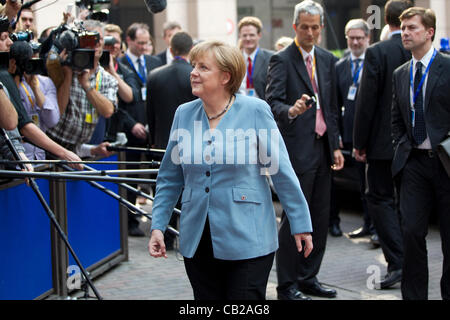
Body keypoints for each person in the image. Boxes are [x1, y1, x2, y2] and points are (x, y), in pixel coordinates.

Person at [148, 40, 313, 300]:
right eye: (194, 66)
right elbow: (170, 177)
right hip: (197, 238)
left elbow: (280, 170)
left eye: (203, 67)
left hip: (248, 236)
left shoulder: (255, 111)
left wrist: (300, 222)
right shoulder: (184, 114)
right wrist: (158, 224)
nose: (193, 72)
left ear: (225, 76)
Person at [266, 0, 344, 300]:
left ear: (321, 29)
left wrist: (336, 145)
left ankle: (309, 277)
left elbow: (332, 107)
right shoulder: (282, 60)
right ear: (295, 27)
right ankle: (287, 285)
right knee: (294, 218)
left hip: (324, 147)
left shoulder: (326, 59)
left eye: (315, 27)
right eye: (305, 27)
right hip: (297, 149)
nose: (310, 32)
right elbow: (272, 103)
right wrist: (292, 110)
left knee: (320, 217)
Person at [353, 0, 412, 289]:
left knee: (380, 199)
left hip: (381, 144)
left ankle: (399, 263)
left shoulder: (378, 52)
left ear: (386, 20)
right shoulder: (423, 49)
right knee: (408, 202)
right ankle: (412, 262)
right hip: (414, 143)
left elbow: (366, 101)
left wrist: (359, 142)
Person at [393, 7, 450, 300]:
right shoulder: (401, 74)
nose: (405, 33)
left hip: (445, 165)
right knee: (412, 233)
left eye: (412, 28)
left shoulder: (447, 67)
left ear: (429, 32)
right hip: (414, 163)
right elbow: (396, 119)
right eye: (403, 28)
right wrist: (401, 146)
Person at [146, 31, 197, 249]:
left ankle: (165, 233)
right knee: (187, 187)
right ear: (190, 50)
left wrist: (153, 139)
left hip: (162, 140)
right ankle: (186, 232)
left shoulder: (155, 75)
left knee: (165, 185)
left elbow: (150, 113)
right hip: (191, 140)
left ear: (172, 49)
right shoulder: (193, 75)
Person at [46, 19, 117, 159]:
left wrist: (86, 85)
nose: (96, 43)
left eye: (100, 38)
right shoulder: (65, 67)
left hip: (78, 149)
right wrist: (67, 73)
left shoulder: (107, 78)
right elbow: (57, 111)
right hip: (51, 145)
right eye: (90, 38)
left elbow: (108, 110)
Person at [331, 19, 375, 239]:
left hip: (370, 135)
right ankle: (366, 225)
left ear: (368, 38)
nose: (356, 42)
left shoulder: (375, 62)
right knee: (357, 184)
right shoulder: (339, 66)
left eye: (360, 38)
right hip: (347, 134)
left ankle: (375, 227)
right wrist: (337, 133)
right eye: (352, 38)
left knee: (372, 185)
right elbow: (334, 104)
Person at [119, 22, 162, 236]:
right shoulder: (119, 64)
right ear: (129, 41)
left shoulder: (155, 62)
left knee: (158, 176)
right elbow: (117, 104)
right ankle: (131, 220)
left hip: (152, 129)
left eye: (147, 43)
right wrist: (132, 124)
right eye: (140, 43)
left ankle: (160, 220)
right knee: (131, 177)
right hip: (131, 129)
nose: (145, 47)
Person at [10, 41, 60, 162]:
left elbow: (52, 120)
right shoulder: (12, 81)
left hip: (40, 155)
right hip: (18, 157)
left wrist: (35, 88)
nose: (31, 65)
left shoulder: (45, 83)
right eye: (28, 61)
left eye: (35, 61)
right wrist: (18, 77)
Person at [237, 16, 273, 99]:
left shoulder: (270, 58)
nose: (248, 38)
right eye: (244, 35)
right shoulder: (235, 59)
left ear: (259, 35)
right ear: (240, 36)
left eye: (252, 35)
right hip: (239, 106)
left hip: (262, 106)